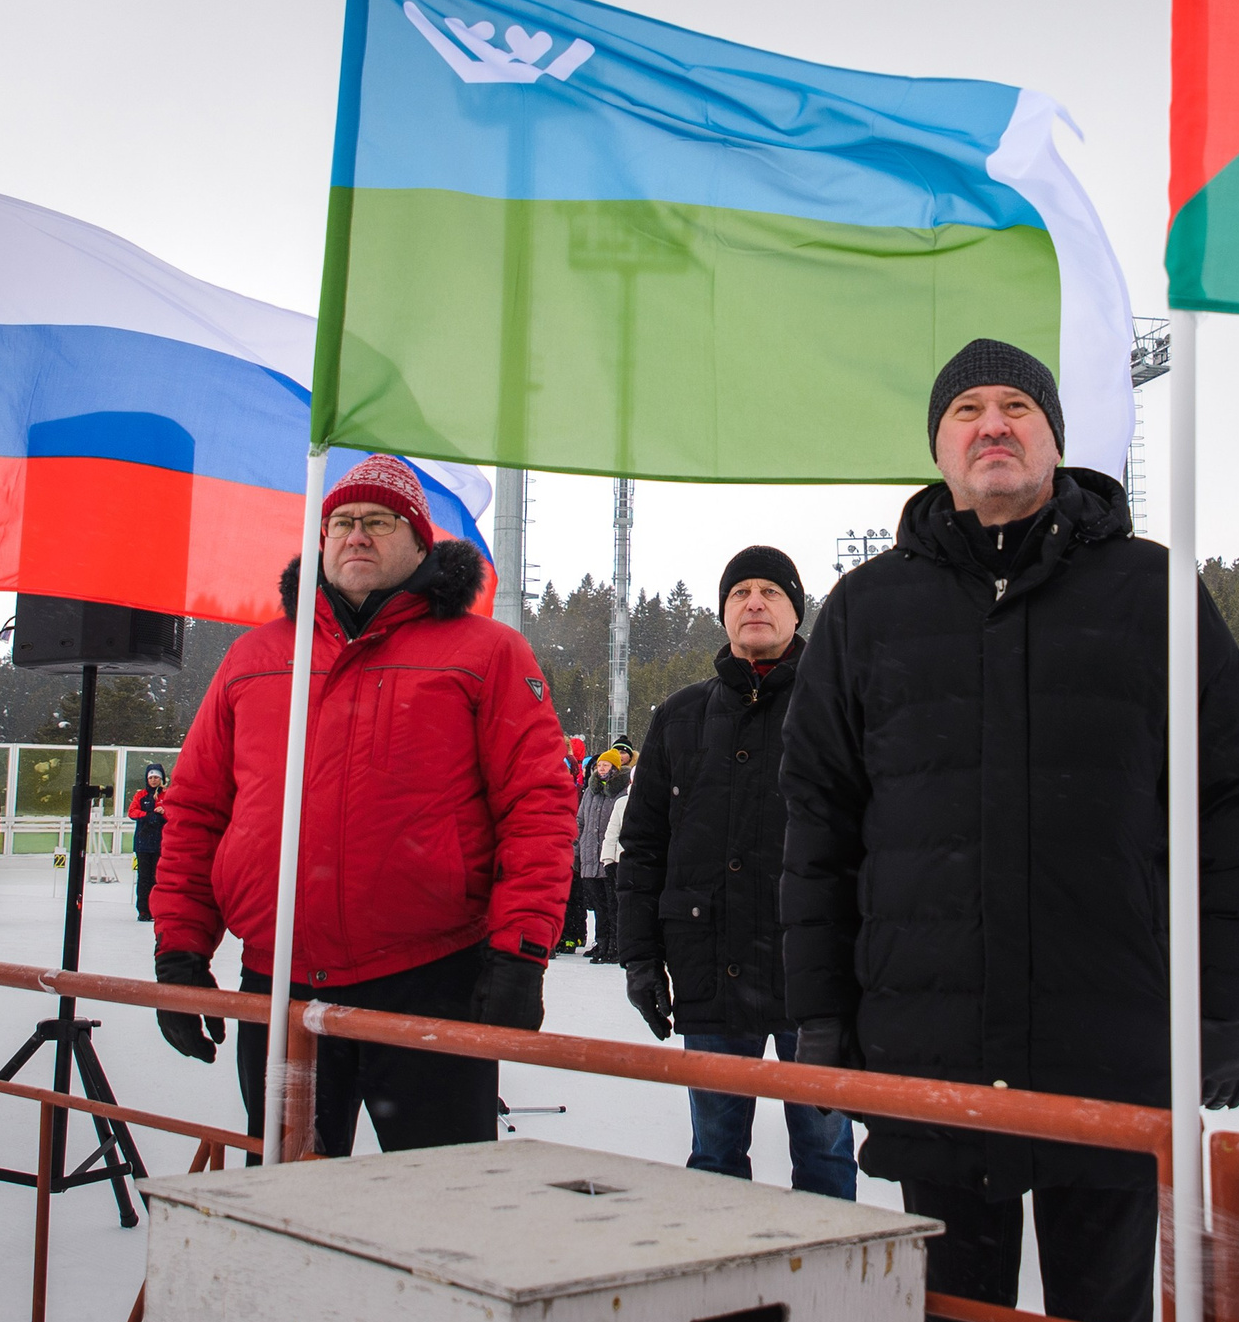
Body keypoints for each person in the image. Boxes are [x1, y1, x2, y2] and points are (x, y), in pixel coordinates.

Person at [780, 338, 1239, 1322]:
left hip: (1107, 1039)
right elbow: (819, 824)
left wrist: (1225, 1001)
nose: (991, 423)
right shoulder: (865, 609)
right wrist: (818, 1008)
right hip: (930, 1042)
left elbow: (1228, 807)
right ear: (938, 445)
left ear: (1055, 435)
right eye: (966, 408)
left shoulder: (1151, 589)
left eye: (1016, 406)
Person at [151, 454, 575, 1157]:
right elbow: (196, 810)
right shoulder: (255, 657)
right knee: (291, 1211)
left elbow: (537, 806)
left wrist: (520, 952)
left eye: (379, 521)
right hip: (279, 985)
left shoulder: (487, 651)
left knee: (439, 1208)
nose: (356, 535)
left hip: (428, 982)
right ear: (320, 541)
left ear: (419, 542)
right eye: (341, 521)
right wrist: (181, 948)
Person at [615, 547, 855, 1197]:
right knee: (716, 1155)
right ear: (723, 613)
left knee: (825, 1152)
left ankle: (831, 1293)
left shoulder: (838, 706)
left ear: (794, 611)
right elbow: (642, 849)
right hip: (711, 972)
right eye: (740, 591)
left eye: (770, 591)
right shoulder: (679, 717)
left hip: (816, 980)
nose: (754, 601)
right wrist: (639, 957)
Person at [566, 745, 628, 957]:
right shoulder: (591, 792)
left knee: (613, 903)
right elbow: (580, 820)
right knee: (598, 905)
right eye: (599, 765)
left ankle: (614, 943)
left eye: (605, 765)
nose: (601, 768)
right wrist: (578, 845)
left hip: (609, 855)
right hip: (589, 853)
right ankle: (601, 942)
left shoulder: (620, 792)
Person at [129, 763, 168, 923]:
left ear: (161, 779)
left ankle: (157, 909)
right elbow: (132, 812)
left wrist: (164, 812)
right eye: (151, 777)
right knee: (144, 877)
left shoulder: (166, 795)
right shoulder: (141, 796)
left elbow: (175, 812)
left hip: (161, 843)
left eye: (156, 777)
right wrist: (147, 815)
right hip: (143, 843)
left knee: (157, 878)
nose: (153, 780)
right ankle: (143, 910)